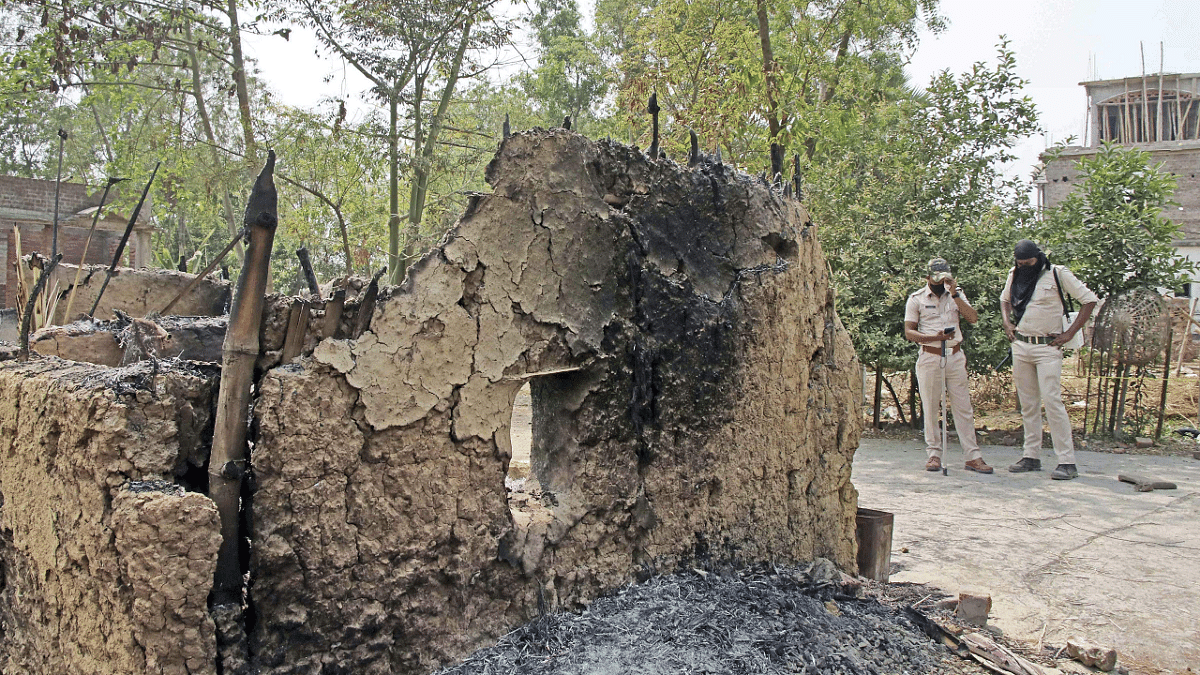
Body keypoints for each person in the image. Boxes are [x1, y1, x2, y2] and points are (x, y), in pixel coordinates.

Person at [1000, 240, 1098, 480]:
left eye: (1029, 263)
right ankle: (1031, 455)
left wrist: (1070, 333)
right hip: (1021, 345)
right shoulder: (1015, 274)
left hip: (1048, 347)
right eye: (1020, 263)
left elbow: (1089, 300)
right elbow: (1004, 300)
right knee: (1028, 404)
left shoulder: (1057, 273)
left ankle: (1067, 461)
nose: (1024, 267)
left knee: (1053, 402)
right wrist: (1007, 322)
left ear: (1039, 258)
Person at [904, 258, 992, 473]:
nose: (941, 280)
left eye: (944, 275)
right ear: (928, 277)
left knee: (963, 407)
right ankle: (934, 453)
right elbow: (909, 332)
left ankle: (973, 456)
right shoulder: (916, 298)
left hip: (954, 355)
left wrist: (954, 294)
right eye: (936, 276)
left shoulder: (957, 293)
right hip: (930, 354)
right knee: (931, 406)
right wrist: (934, 336)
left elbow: (972, 318)